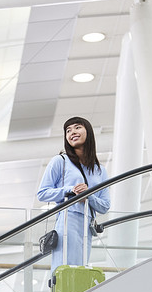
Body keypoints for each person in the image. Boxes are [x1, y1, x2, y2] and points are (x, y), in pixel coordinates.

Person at [36, 116, 110, 274]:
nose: (72, 132)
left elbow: (105, 206)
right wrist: (70, 190)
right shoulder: (60, 161)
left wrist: (88, 197)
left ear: (88, 131)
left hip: (87, 224)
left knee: (82, 268)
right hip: (67, 219)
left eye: (77, 127)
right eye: (68, 130)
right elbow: (42, 194)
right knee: (66, 269)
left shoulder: (100, 170)